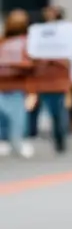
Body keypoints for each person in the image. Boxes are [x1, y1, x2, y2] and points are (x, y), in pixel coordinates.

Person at [0, 10, 34, 158]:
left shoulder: (29, 42)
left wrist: (16, 64)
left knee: (19, 116)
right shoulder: (3, 41)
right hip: (2, 84)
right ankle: (4, 141)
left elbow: (33, 64)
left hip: (19, 84)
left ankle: (20, 141)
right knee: (3, 115)